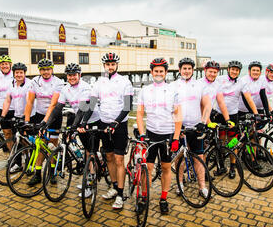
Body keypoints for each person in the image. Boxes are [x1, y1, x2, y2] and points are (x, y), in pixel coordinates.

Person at [81, 52, 134, 210]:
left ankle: (120, 194)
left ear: (116, 65)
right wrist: (84, 121)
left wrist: (116, 122)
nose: (110, 67)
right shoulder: (99, 83)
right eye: (107, 64)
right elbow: (92, 104)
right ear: (104, 65)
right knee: (109, 156)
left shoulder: (125, 82)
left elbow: (127, 106)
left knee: (119, 160)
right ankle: (114, 186)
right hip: (104, 124)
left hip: (119, 126)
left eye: (112, 64)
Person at [44, 63, 101, 196]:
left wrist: (75, 126)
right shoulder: (66, 89)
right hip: (81, 122)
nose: (71, 77)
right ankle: (88, 177)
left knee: (89, 153)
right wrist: (46, 123)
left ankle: (91, 184)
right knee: (87, 150)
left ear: (79, 75)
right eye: (69, 75)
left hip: (92, 121)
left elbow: (82, 109)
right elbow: (58, 107)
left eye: (74, 75)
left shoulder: (85, 87)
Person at [136, 58, 182, 214]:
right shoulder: (145, 90)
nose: (158, 73)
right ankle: (144, 197)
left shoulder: (172, 91)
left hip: (167, 134)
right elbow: (140, 113)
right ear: (151, 72)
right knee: (147, 168)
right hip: (150, 133)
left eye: (161, 71)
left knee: (166, 167)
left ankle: (163, 198)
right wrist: (142, 134)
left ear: (166, 73)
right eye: (156, 71)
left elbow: (177, 115)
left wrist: (175, 138)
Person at [171, 57, 213, 198]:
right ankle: (180, 183)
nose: (187, 71)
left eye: (189, 69)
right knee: (180, 158)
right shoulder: (173, 85)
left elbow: (207, 105)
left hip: (196, 127)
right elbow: (170, 107)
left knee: (199, 157)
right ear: (179, 70)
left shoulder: (200, 85)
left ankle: (202, 187)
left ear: (193, 70)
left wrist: (203, 121)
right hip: (180, 127)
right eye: (184, 68)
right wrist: (177, 125)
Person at [24, 58, 65, 187]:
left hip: (54, 116)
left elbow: (53, 104)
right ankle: (37, 174)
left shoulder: (58, 82)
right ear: (39, 71)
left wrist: (45, 121)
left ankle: (52, 172)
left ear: (52, 69)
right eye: (43, 69)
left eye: (48, 69)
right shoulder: (35, 81)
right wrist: (27, 120)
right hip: (40, 114)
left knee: (52, 145)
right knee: (40, 145)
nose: (45, 72)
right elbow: (30, 102)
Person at [211, 60, 243, 178]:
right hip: (219, 115)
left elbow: (247, 97)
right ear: (228, 69)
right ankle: (221, 166)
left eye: (237, 70)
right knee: (220, 141)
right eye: (233, 69)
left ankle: (233, 167)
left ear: (239, 72)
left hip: (233, 115)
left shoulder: (241, 82)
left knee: (232, 143)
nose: (234, 72)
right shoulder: (220, 79)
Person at [0, 62, 32, 173]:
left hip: (28, 116)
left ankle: (30, 163)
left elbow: (29, 101)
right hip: (16, 115)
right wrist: (3, 115)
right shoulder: (11, 84)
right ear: (13, 74)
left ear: (25, 73)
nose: (19, 75)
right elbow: (8, 100)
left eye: (21, 73)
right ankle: (18, 164)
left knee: (27, 141)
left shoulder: (29, 84)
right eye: (17, 73)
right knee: (16, 140)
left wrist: (25, 116)